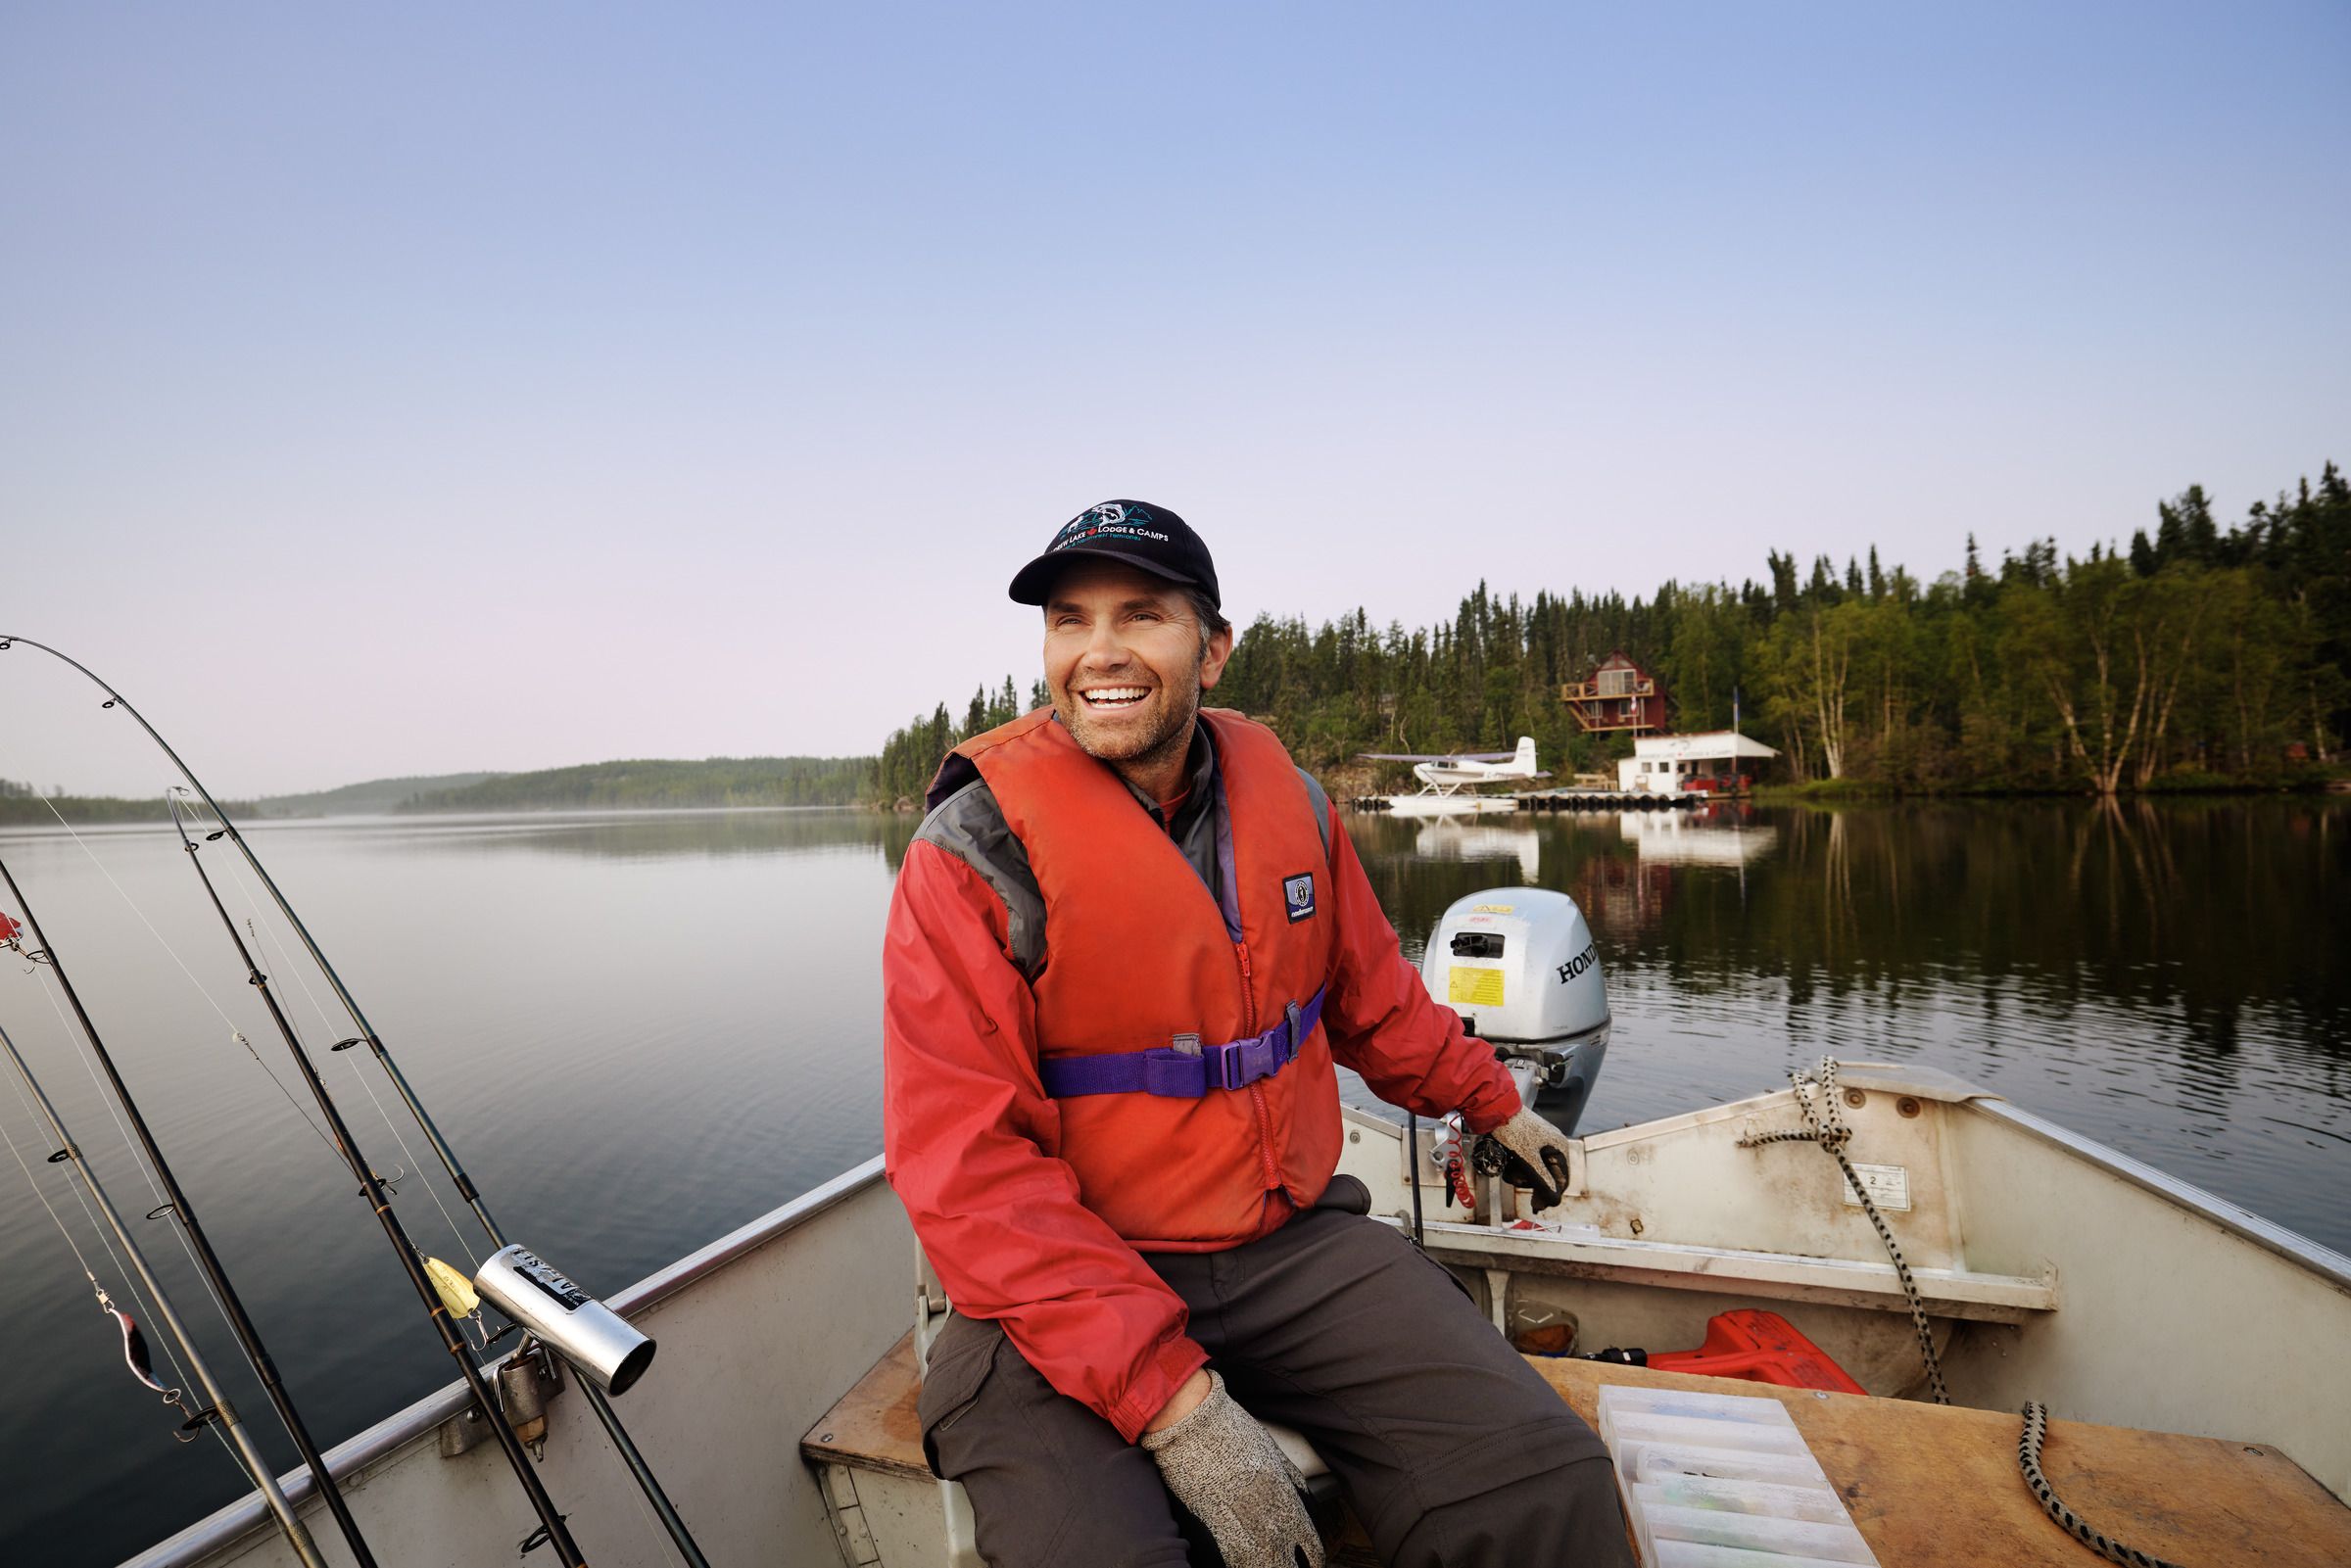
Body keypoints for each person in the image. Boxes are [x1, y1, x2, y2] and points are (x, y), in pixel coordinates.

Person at [882, 500, 1630, 1568]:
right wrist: (1178, 1410)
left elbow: (1371, 996)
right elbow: (966, 1167)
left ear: (1213, 647)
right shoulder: (971, 849)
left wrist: (1492, 1097)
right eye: (1068, 619)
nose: (1099, 652)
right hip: (1058, 1280)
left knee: (1544, 1487)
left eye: (1141, 615)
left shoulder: (1293, 801)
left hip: (1289, 1250)